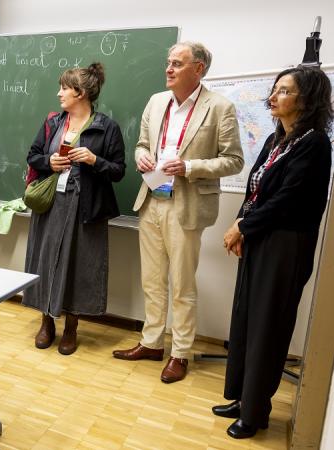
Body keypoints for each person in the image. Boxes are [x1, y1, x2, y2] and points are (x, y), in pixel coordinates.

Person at [112, 42, 244, 383]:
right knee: (152, 281)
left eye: (176, 63)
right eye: (167, 62)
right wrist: (141, 156)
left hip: (186, 206)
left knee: (182, 285)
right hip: (152, 198)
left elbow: (234, 160)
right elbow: (142, 143)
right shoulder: (157, 102)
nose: (168, 69)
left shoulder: (220, 107)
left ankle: (180, 352)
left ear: (198, 69)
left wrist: (190, 166)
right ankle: (152, 342)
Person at [214, 66, 334, 439]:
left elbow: (287, 200)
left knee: (268, 326)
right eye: (275, 89)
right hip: (260, 237)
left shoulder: (315, 143)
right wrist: (239, 226)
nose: (273, 97)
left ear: (306, 99)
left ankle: (255, 413)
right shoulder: (274, 139)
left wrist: (243, 227)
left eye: (284, 91)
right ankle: (240, 397)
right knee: (246, 319)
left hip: (285, 244)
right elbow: (255, 191)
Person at [23, 63, 126, 356]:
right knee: (44, 260)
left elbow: (118, 171)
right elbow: (33, 155)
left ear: (80, 93)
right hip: (51, 204)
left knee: (79, 265)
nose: (59, 94)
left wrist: (95, 160)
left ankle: (71, 327)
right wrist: (49, 162)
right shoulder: (54, 122)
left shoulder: (107, 127)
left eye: (64, 88)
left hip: (85, 207)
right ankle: (46, 321)